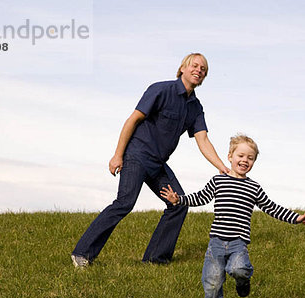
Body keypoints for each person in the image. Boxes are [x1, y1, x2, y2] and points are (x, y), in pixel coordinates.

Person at [71, 53, 229, 267]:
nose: (198, 70)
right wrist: (118, 154)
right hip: (137, 155)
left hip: (158, 164)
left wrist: (222, 167)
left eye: (203, 69)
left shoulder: (195, 107)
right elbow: (132, 120)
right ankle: (82, 254)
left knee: (178, 203)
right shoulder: (161, 90)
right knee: (124, 203)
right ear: (183, 68)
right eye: (195, 66)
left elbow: (202, 139)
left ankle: (155, 259)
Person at [160, 134, 305, 298]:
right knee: (212, 282)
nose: (245, 160)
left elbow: (271, 207)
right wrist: (179, 200)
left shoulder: (254, 188)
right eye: (241, 156)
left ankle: (243, 281)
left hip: (238, 242)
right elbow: (200, 197)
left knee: (238, 269)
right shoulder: (218, 181)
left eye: (250, 158)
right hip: (216, 242)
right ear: (230, 156)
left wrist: (295, 218)